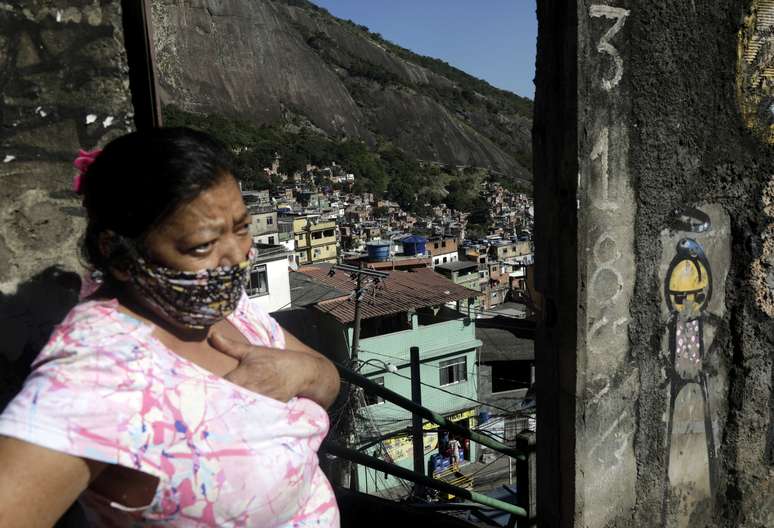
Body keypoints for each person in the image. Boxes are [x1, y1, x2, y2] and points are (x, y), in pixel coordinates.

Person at [0, 128, 341, 527]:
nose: (236, 257)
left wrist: (299, 370)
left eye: (242, 228)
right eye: (202, 246)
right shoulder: (103, 372)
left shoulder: (216, 304)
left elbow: (327, 379)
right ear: (119, 253)